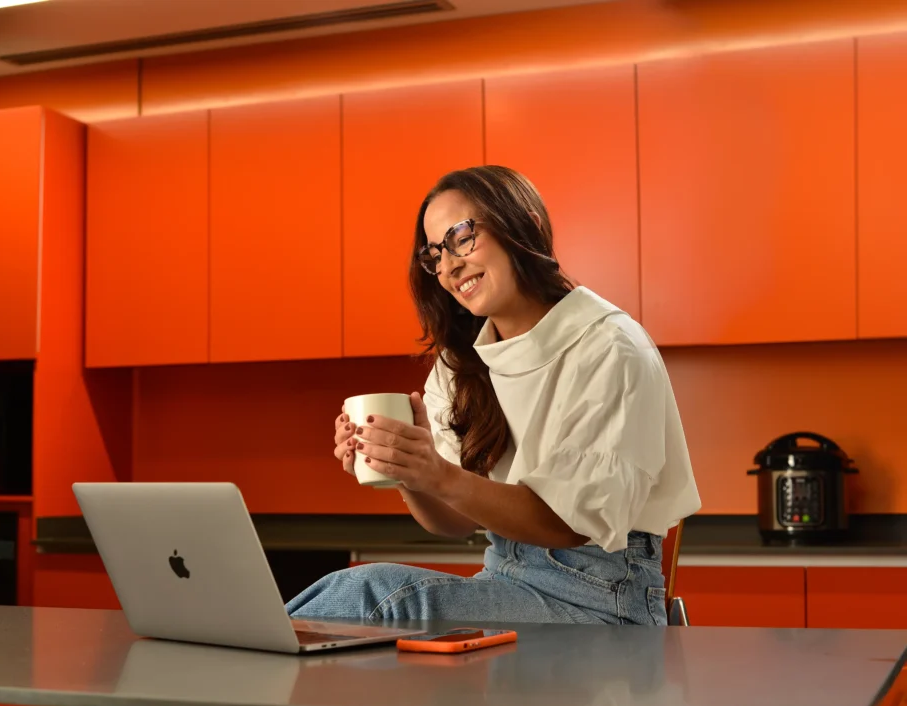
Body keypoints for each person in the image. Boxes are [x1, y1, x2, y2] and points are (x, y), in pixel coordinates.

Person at [286, 165, 701, 625]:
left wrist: (440, 474)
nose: (448, 266)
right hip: (505, 578)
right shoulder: (461, 362)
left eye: (461, 237)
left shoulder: (609, 346)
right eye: (435, 254)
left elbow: (565, 525)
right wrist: (408, 468)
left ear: (521, 222)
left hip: (604, 601)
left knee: (373, 597)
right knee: (364, 612)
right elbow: (455, 521)